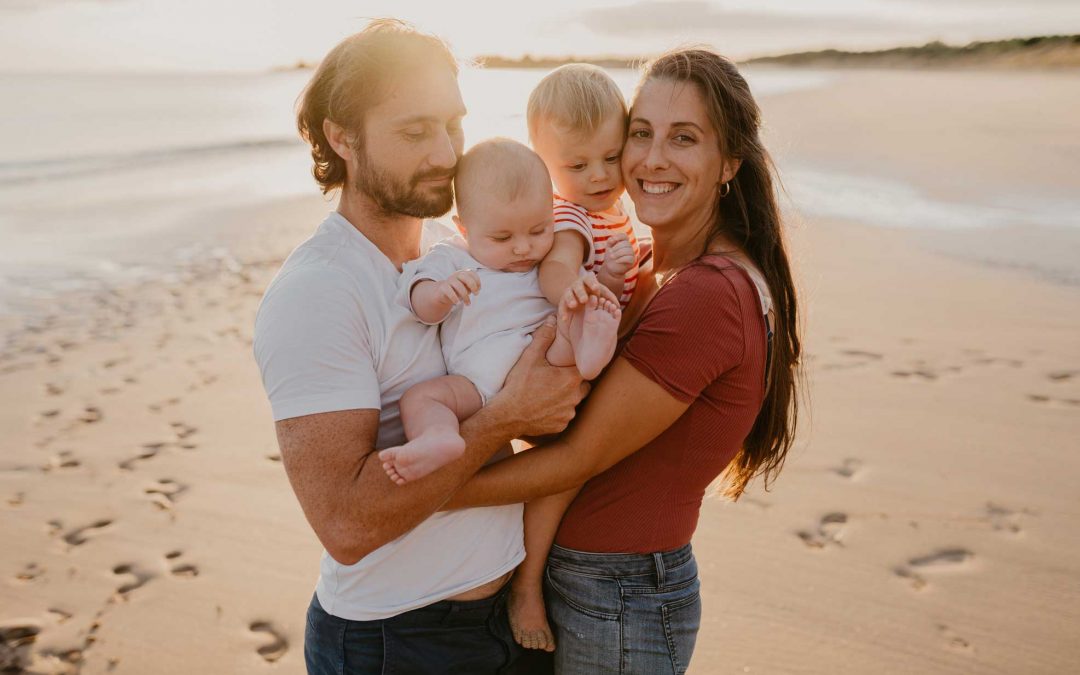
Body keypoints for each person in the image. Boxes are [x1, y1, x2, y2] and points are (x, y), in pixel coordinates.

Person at [445, 47, 803, 674]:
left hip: (618, 593)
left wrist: (430, 495)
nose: (651, 158)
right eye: (641, 134)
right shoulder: (650, 269)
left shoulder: (707, 295)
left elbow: (579, 454)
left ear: (729, 164)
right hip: (596, 581)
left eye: (684, 138)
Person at [252, 20, 587, 674]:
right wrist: (507, 418)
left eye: (452, 125)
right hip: (400, 639)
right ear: (342, 137)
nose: (444, 152)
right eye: (414, 131)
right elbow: (345, 525)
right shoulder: (320, 291)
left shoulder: (459, 245)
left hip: (509, 614)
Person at [377, 138, 621, 485]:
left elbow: (587, 293)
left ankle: (588, 353)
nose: (523, 247)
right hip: (477, 383)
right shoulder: (452, 257)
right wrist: (442, 294)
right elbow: (418, 303)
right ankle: (437, 438)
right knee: (424, 397)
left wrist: (608, 277)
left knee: (575, 314)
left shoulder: (548, 264)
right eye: (502, 238)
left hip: (541, 365)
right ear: (464, 228)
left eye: (538, 230)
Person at [528, 64, 641, 311]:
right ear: (542, 165)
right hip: (588, 331)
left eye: (612, 158)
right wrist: (586, 287)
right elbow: (555, 268)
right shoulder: (571, 220)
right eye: (579, 166)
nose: (600, 176)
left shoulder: (612, 206)